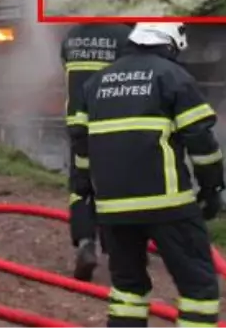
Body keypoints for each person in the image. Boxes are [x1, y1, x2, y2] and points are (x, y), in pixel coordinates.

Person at [73, 22, 225, 328]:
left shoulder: (95, 84)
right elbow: (201, 141)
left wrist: (87, 198)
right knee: (198, 289)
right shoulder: (172, 76)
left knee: (127, 290)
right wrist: (211, 189)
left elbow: (82, 148)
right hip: (168, 205)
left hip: (113, 210)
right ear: (170, 44)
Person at [60, 21, 134, 282]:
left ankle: (85, 243)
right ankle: (116, 251)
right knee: (115, 186)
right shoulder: (125, 36)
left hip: (80, 127)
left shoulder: (71, 37)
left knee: (81, 186)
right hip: (115, 125)